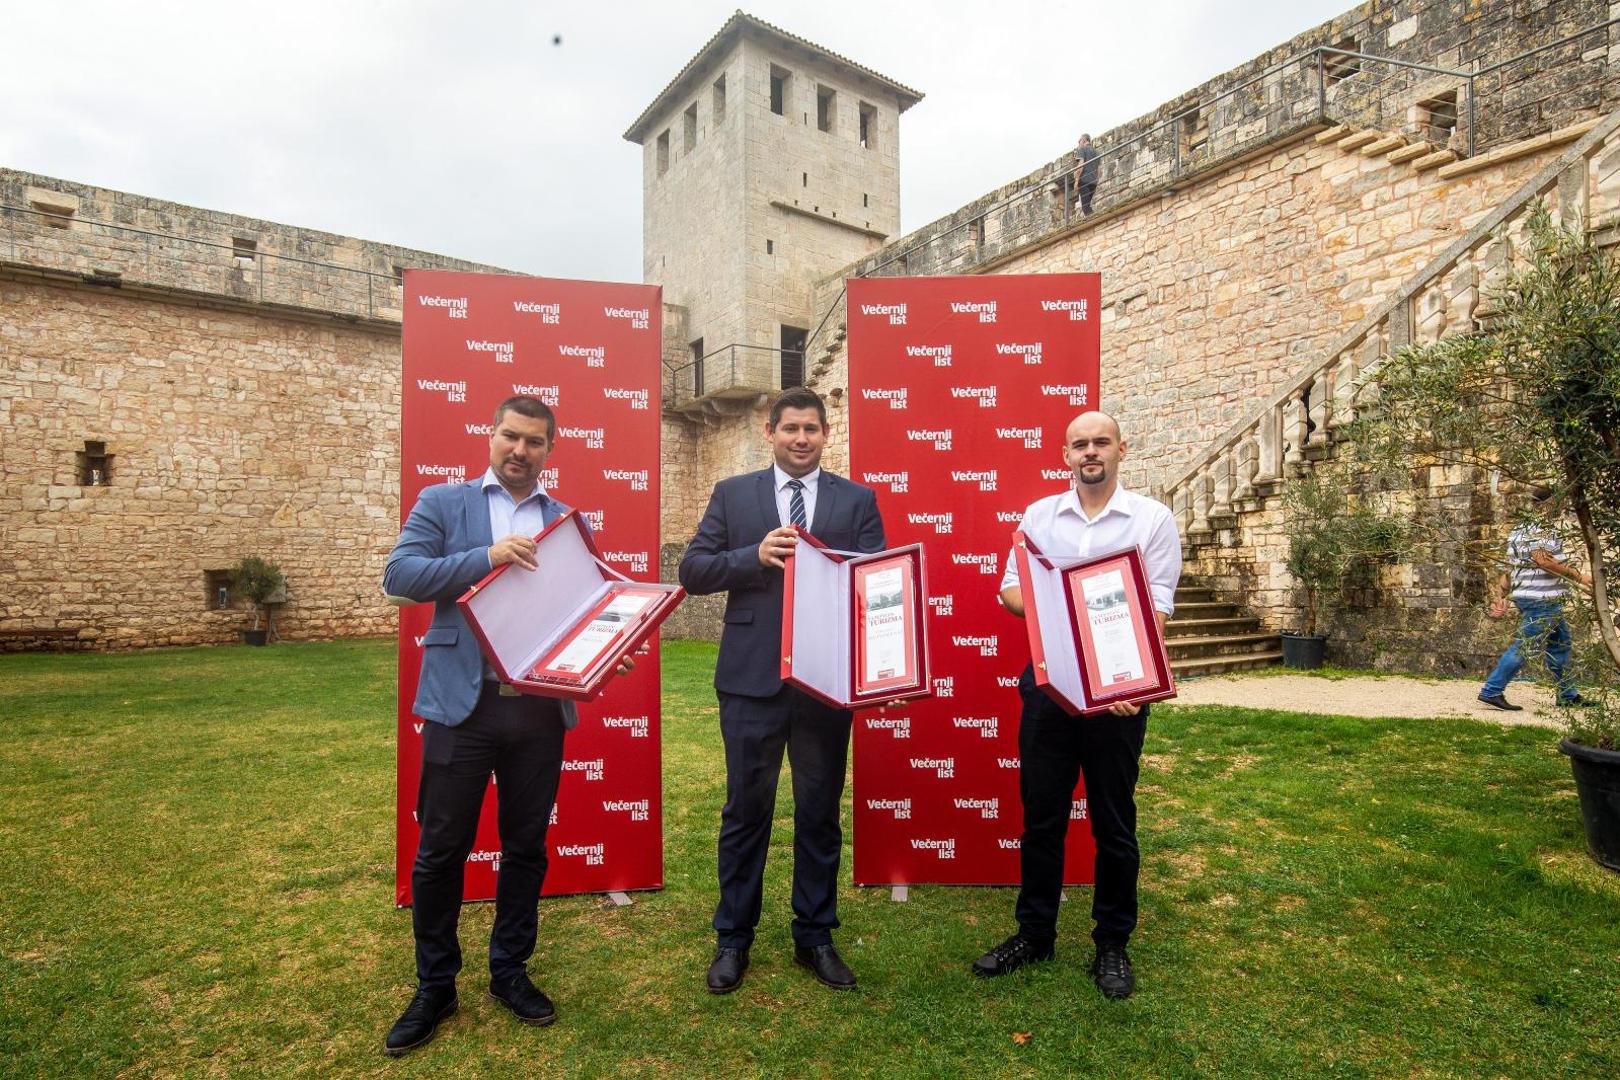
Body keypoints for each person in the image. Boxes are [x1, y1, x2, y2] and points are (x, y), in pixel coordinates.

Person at [380, 395, 627, 1056]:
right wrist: (485, 557)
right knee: (439, 854)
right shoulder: (443, 503)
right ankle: (436, 985)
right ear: (491, 437)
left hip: (538, 711)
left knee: (524, 849)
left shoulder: (564, 523)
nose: (520, 451)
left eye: (535, 442)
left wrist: (612, 645)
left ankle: (509, 973)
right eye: (510, 437)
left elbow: (590, 608)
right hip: (462, 708)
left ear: (550, 450)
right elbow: (399, 577)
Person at [679, 386, 886, 994]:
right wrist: (752, 555)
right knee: (746, 812)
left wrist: (882, 669)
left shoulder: (858, 500)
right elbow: (693, 571)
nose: (801, 439)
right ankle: (733, 941)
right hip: (750, 682)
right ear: (769, 431)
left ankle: (815, 936)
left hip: (826, 683)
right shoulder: (733, 494)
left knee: (819, 814)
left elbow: (878, 588)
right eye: (790, 428)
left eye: (812, 429)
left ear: (826, 434)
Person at [971, 411, 1181, 1000]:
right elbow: (1010, 587)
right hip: (1049, 685)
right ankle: (1034, 933)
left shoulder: (1151, 519)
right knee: (1042, 819)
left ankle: (1112, 943)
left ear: (1121, 448)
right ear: (1065, 454)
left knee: (1114, 823)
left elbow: (1158, 604)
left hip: (1118, 692)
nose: (1091, 452)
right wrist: (1051, 600)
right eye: (1080, 444)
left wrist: (1131, 681)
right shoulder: (1040, 515)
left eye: (1102, 442)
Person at [1478, 487, 1592, 711]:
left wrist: (1502, 596)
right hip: (1542, 601)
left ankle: (1568, 695)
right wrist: (1580, 577)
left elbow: (1512, 568)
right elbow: (1542, 560)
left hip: (1533, 598)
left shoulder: (1519, 529)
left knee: (1560, 645)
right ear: (1550, 504)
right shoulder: (1544, 528)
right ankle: (1491, 690)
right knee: (1525, 647)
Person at [1076, 133, 1100, 216]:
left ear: (1084, 140)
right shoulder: (1096, 152)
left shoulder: (1082, 150)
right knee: (1087, 206)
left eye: (1079, 142)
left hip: (1084, 180)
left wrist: (1076, 181)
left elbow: (1081, 165)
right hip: (1093, 182)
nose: (1078, 144)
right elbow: (1097, 168)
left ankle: (1095, 221)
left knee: (1085, 208)